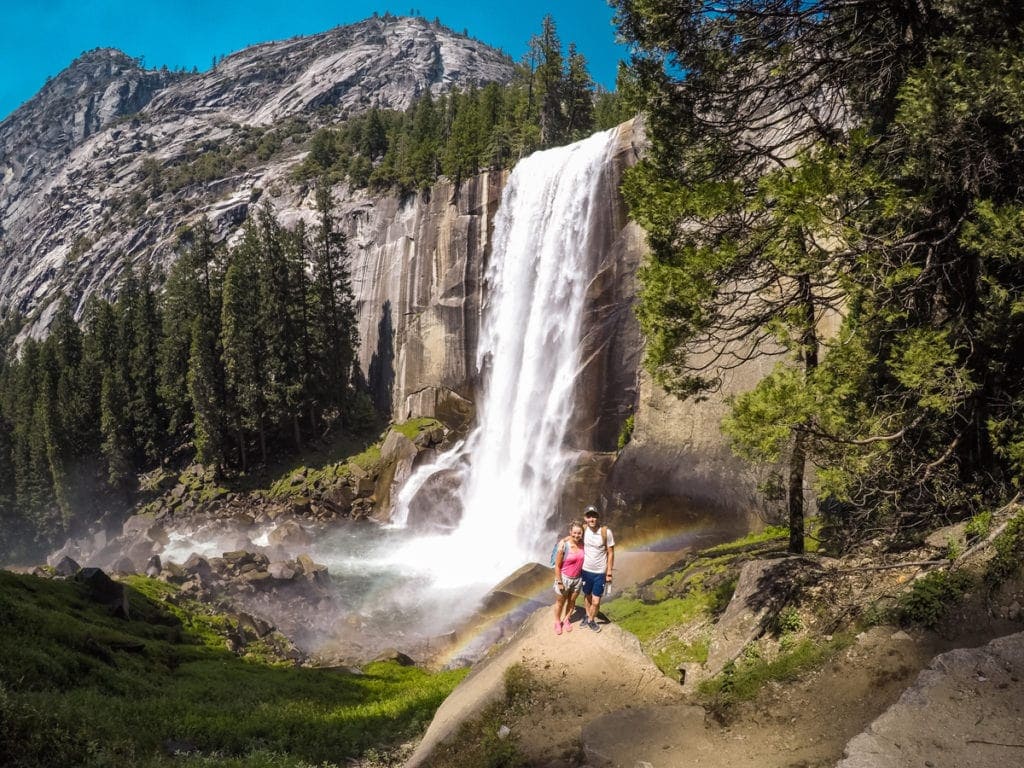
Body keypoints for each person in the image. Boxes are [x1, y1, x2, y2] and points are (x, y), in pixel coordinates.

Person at [579, 505, 615, 632]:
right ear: (585, 518)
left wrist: (609, 571)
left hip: (600, 572)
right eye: (589, 516)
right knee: (587, 595)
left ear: (598, 517)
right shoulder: (583, 530)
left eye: (594, 516)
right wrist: (563, 542)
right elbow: (574, 537)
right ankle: (587, 615)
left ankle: (591, 620)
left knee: (596, 600)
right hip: (586, 570)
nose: (592, 519)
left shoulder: (606, 532)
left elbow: (610, 552)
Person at [552, 521, 585, 635]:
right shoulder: (564, 546)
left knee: (572, 601)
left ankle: (566, 620)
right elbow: (557, 566)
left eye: (579, 533)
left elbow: (587, 526)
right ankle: (557, 622)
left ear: (582, 534)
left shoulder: (583, 545)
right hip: (564, 578)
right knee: (560, 602)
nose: (577, 535)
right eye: (574, 533)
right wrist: (559, 582)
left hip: (578, 579)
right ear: (570, 532)